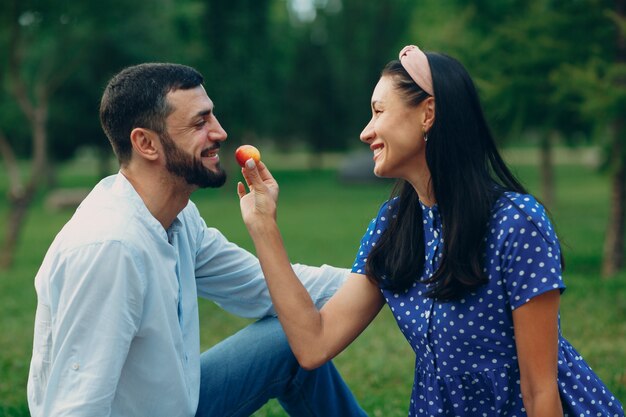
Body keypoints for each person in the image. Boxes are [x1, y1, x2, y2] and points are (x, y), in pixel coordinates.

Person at [237, 45, 625, 416]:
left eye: (378, 112)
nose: (365, 132)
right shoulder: (393, 226)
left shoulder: (516, 224)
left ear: (428, 114)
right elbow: (313, 343)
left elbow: (539, 391)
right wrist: (264, 225)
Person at [26, 63, 368, 417]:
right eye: (200, 122)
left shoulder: (177, 218)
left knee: (290, 336)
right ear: (146, 143)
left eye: (213, 117)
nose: (220, 133)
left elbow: (264, 288)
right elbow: (74, 408)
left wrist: (382, 276)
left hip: (178, 403)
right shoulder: (109, 249)